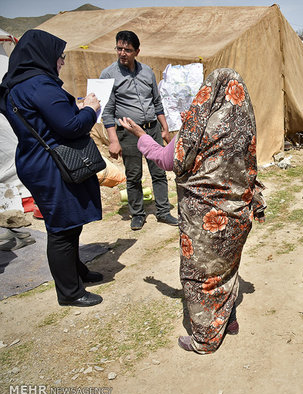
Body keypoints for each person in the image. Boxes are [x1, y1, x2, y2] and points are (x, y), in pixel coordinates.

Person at [117, 68, 265, 354]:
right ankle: (228, 321)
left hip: (204, 217)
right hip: (238, 214)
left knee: (201, 276)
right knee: (226, 271)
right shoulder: (245, 123)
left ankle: (205, 340)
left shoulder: (199, 125)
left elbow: (166, 158)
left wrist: (139, 135)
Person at [0, 29, 104, 306]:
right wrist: (90, 109)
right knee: (62, 229)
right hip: (53, 166)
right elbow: (70, 127)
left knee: (69, 224)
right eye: (60, 56)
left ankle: (77, 273)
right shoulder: (40, 86)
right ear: (44, 56)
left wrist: (75, 106)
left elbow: (46, 120)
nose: (62, 61)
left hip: (35, 160)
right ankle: (70, 292)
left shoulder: (16, 85)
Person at [100, 30, 177, 231]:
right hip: (128, 133)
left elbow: (157, 101)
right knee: (133, 175)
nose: (122, 53)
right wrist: (113, 140)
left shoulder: (147, 72)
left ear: (137, 51)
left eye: (127, 50)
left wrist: (165, 127)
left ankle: (163, 211)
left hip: (152, 129)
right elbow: (107, 112)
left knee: (159, 172)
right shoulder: (108, 75)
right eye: (119, 48)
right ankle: (137, 214)